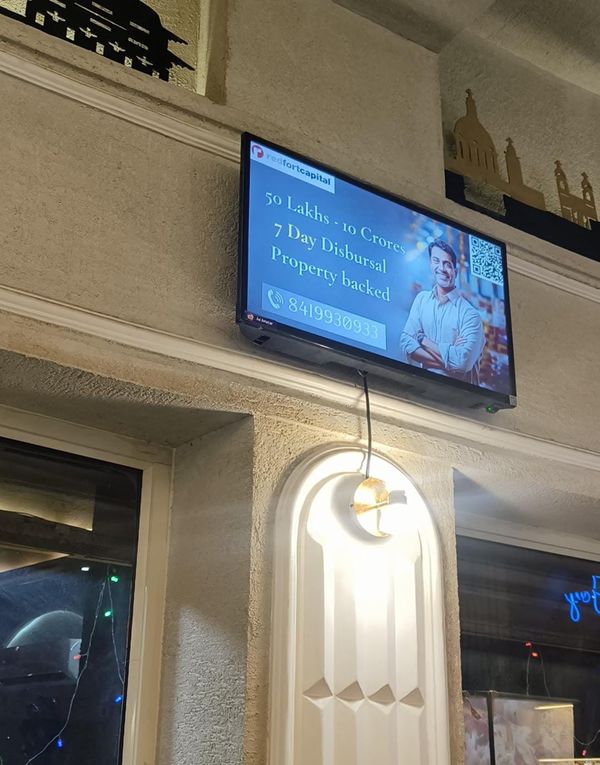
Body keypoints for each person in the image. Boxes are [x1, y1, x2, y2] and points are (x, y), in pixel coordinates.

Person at [399, 239, 485, 384]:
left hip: (457, 395)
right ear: (431, 265)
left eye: (447, 264)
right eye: (436, 261)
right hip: (422, 387)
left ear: (455, 272)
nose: (441, 268)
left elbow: (463, 363)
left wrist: (423, 341)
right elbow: (405, 342)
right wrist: (450, 359)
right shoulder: (422, 299)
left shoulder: (470, 315)